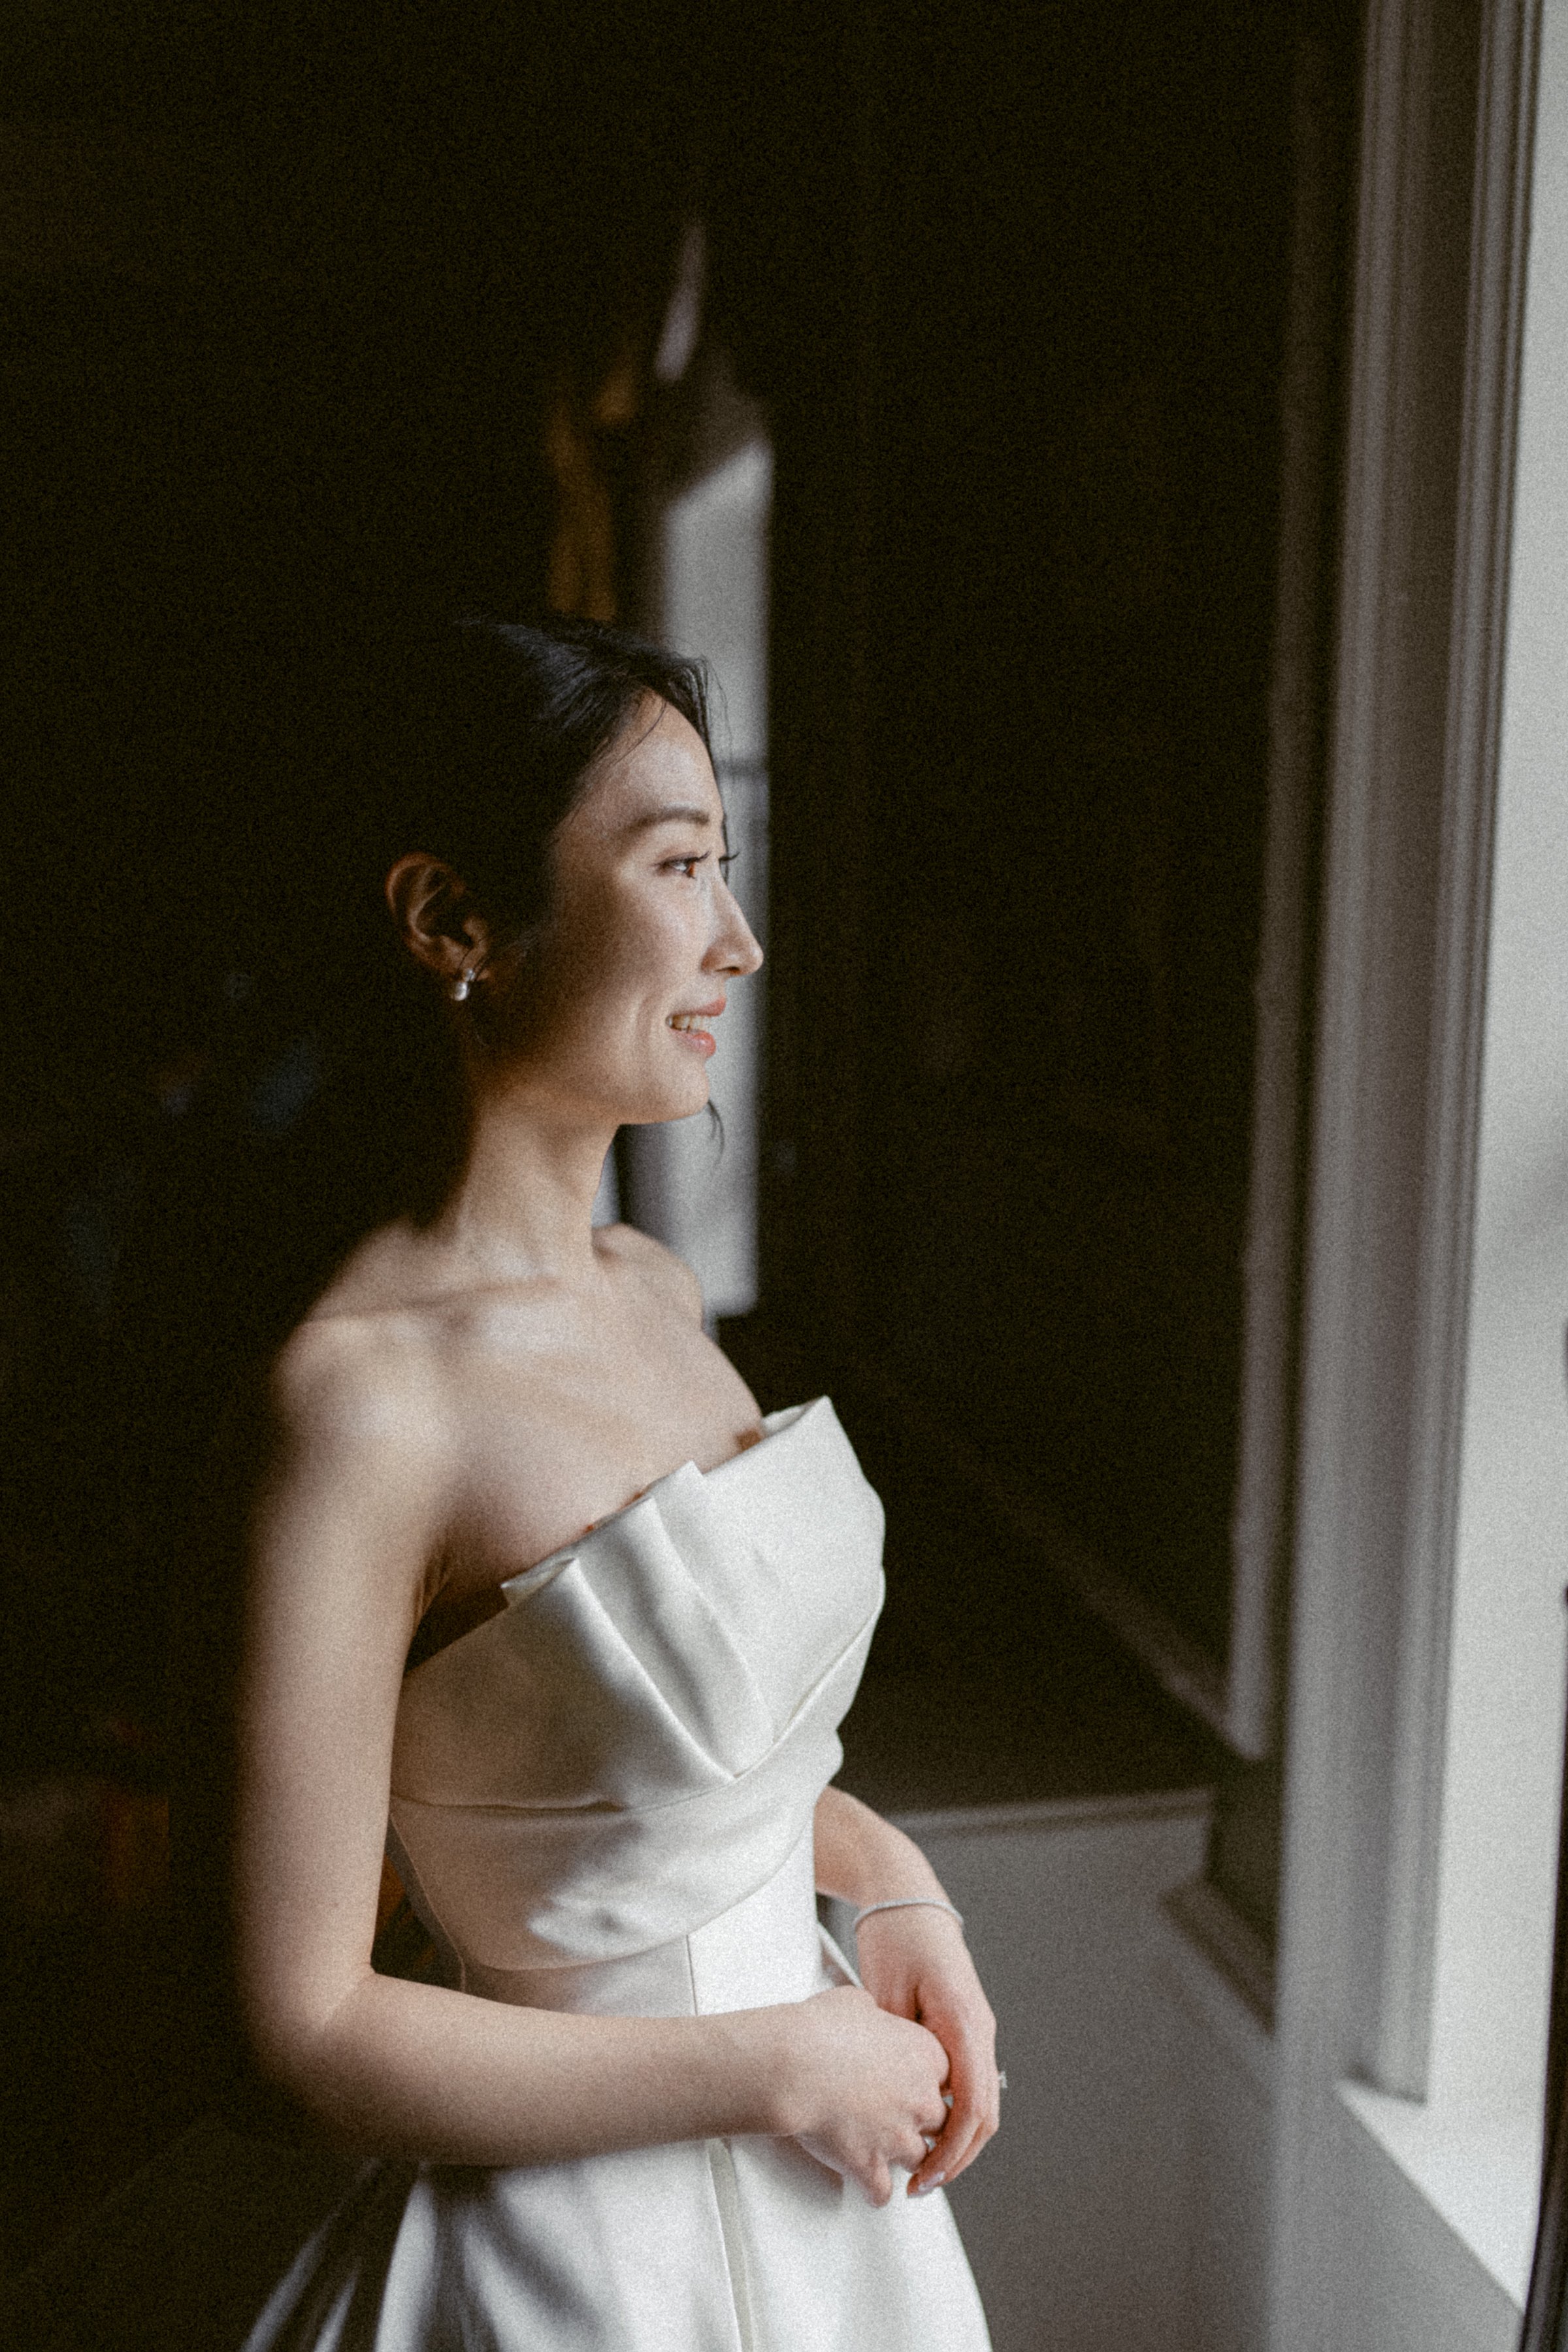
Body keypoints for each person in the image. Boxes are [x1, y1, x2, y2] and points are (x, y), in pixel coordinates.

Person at [219, 613, 998, 2349]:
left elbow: (663, 1781)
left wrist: (886, 1873)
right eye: (678, 866)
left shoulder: (655, 1290)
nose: (741, 941)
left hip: (830, 2217)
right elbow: (302, 2030)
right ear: (452, 920)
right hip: (574, 2270)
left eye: (730, 867)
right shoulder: (361, 1405)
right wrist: (774, 2065)